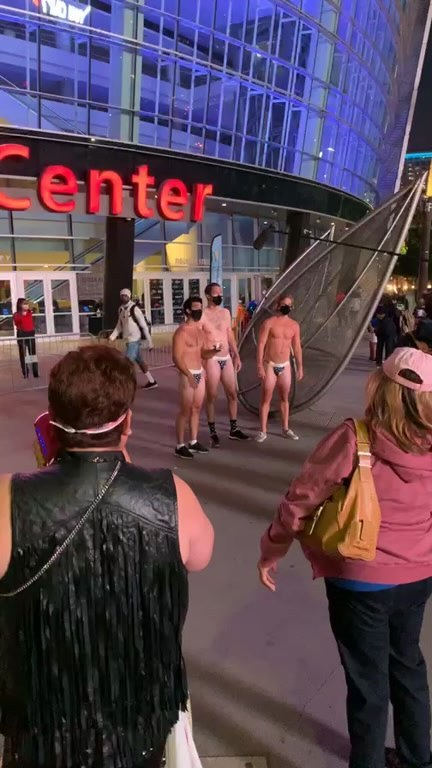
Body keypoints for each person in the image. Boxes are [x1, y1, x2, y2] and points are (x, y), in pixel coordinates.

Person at [0, 344, 214, 768]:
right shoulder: (172, 494)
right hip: (138, 724)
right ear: (127, 421)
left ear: (52, 420)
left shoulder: (8, 496)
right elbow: (199, 556)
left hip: (43, 729)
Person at [258, 347, 432, 768]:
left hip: (360, 578)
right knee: (407, 662)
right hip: (418, 574)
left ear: (380, 387)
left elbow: (302, 497)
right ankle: (417, 758)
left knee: (367, 678)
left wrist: (273, 547)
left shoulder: (356, 438)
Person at [172, 296, 222, 460]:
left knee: (196, 408)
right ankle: (180, 445)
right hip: (187, 374)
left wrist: (213, 351)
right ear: (188, 310)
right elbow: (177, 357)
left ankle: (193, 441)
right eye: (196, 307)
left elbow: (202, 354)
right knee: (185, 410)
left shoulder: (200, 332)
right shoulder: (181, 332)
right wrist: (188, 374)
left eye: (200, 307)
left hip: (199, 372)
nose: (199, 310)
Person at [203, 282, 249, 446]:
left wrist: (236, 354)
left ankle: (233, 429)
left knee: (232, 394)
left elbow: (229, 334)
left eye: (221, 293)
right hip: (212, 359)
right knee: (212, 396)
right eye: (216, 294)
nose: (220, 296)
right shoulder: (202, 315)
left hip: (226, 357)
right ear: (208, 296)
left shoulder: (225, 312)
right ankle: (213, 432)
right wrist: (201, 363)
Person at [255, 295, 303, 443]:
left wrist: (300, 366)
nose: (286, 307)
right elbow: (261, 344)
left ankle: (285, 428)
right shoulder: (269, 323)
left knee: (284, 398)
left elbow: (297, 347)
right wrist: (259, 365)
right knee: (266, 398)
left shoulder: (294, 325)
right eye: (283, 304)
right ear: (278, 305)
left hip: (285, 365)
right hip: (270, 364)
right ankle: (263, 430)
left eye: (288, 305)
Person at [109, 289, 157, 390]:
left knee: (127, 363)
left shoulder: (135, 309)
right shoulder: (121, 309)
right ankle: (152, 381)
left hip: (134, 340)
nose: (124, 297)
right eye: (122, 295)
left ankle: (126, 385)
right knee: (140, 361)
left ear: (129, 296)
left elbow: (144, 326)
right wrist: (112, 337)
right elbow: (119, 326)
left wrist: (150, 342)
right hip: (128, 340)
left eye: (126, 295)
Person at [13, 297, 39, 380]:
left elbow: (31, 321)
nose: (26, 305)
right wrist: (22, 314)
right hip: (22, 335)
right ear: (20, 305)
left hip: (30, 334)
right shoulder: (16, 314)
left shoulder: (30, 312)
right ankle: (25, 372)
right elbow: (17, 323)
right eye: (24, 304)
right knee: (23, 354)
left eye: (27, 304)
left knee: (32, 354)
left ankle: (35, 372)